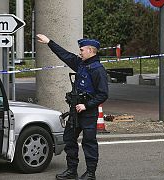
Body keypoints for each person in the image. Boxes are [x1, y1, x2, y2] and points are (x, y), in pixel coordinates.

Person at [37, 34, 108, 180]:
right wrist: (49, 42)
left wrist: (86, 105)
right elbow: (64, 55)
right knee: (69, 139)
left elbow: (103, 94)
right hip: (75, 112)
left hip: (88, 113)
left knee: (89, 143)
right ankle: (71, 171)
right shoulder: (80, 64)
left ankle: (90, 173)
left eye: (82, 50)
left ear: (90, 50)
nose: (80, 52)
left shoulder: (97, 70)